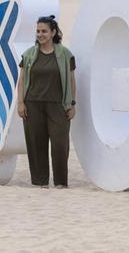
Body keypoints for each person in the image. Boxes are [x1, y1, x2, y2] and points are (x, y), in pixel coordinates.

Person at [16, 15, 76, 188]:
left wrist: (72, 103)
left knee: (59, 145)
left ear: (53, 32)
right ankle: (40, 181)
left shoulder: (65, 54)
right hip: (33, 105)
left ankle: (60, 183)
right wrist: (21, 103)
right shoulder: (28, 55)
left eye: (44, 31)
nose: (40, 34)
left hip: (58, 105)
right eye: (38, 31)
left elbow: (72, 80)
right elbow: (21, 80)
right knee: (36, 145)